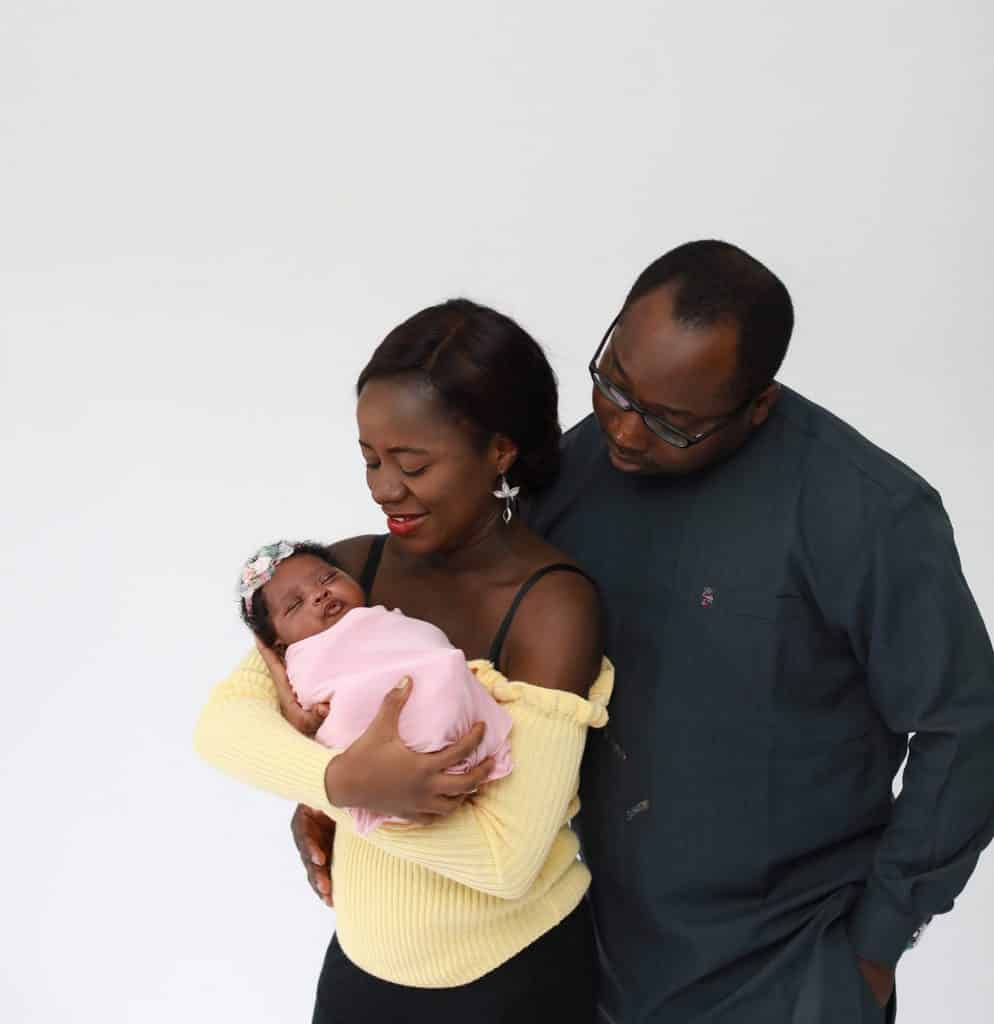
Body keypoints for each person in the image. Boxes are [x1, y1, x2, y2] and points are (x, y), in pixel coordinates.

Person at [290, 241, 994, 1023]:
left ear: (757, 404)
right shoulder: (575, 469)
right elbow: (474, 665)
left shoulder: (870, 516)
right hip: (575, 955)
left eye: (672, 422)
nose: (625, 431)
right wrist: (347, 791)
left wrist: (874, 946)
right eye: (613, 384)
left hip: (780, 972)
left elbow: (966, 729)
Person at [195, 298, 612, 1022]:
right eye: (369, 459)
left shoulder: (552, 608)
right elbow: (223, 727)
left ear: (500, 451)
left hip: (514, 986)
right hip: (361, 975)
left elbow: (506, 861)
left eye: (412, 463)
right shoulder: (348, 576)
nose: (384, 487)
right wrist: (343, 779)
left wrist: (347, 794)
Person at [237, 538, 513, 834]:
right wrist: (286, 689)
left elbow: (427, 649)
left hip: (453, 720)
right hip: (367, 769)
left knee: (444, 670)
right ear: (279, 643)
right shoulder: (302, 657)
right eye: (295, 604)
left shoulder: (380, 619)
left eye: (328, 578)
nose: (319, 594)